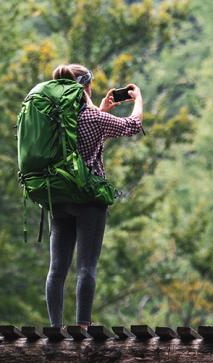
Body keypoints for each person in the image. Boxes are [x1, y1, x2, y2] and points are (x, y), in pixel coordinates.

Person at [45, 63, 144, 329]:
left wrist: (101, 111)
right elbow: (132, 126)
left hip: (60, 197)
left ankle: (55, 327)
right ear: (86, 87)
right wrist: (138, 99)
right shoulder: (91, 118)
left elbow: (79, 142)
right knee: (86, 266)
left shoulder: (53, 117)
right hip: (89, 201)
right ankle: (83, 326)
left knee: (57, 268)